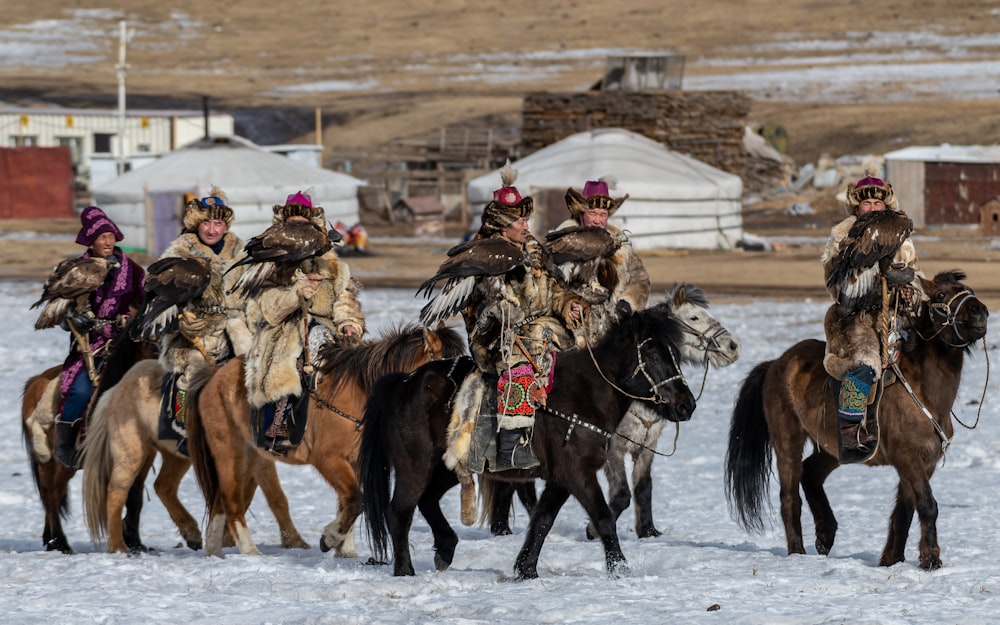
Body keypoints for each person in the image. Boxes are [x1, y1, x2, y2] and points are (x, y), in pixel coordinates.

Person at [435, 163, 586, 470]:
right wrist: (505, 311)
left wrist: (568, 303)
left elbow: (553, 290)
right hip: (494, 336)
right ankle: (510, 445)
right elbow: (486, 304)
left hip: (535, 328)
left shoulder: (535, 250)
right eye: (519, 221)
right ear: (502, 226)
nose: (526, 226)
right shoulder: (485, 254)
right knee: (522, 364)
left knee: (578, 354)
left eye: (526, 218)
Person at [241, 191, 365, 455]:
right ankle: (279, 425)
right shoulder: (271, 263)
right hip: (282, 330)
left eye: (303, 221)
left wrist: (349, 323)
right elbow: (267, 309)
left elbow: (344, 299)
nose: (298, 226)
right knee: (292, 361)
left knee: (358, 364)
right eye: (292, 221)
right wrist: (295, 295)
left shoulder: (333, 266)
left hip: (324, 329)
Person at [821, 167, 925, 457]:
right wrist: (867, 284)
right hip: (856, 317)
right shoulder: (842, 235)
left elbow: (916, 274)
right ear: (857, 206)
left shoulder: (900, 235)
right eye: (866, 203)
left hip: (895, 312)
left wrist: (908, 287)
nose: (872, 207)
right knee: (864, 362)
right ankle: (850, 430)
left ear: (886, 205)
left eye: (877, 203)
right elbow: (834, 280)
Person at [155, 190, 251, 454]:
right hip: (197, 330)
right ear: (195, 224)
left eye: (218, 223)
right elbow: (161, 300)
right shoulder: (179, 253)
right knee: (192, 375)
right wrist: (181, 321)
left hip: (236, 326)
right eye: (206, 223)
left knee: (255, 369)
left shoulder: (242, 253)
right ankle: (184, 426)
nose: (212, 229)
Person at [55, 206, 145, 468]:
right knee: (81, 390)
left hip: (125, 341)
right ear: (90, 241)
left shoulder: (135, 271)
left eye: (110, 236)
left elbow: (144, 305)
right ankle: (65, 443)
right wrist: (71, 319)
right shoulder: (77, 270)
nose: (107, 242)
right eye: (101, 237)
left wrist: (134, 321)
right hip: (90, 345)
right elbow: (60, 311)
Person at [556, 178, 650, 345]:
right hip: (573, 327)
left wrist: (627, 302)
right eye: (592, 213)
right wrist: (568, 305)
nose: (598, 220)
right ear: (581, 213)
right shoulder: (561, 244)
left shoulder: (620, 245)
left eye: (603, 215)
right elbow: (549, 284)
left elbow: (640, 279)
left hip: (613, 326)